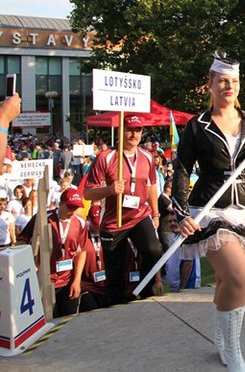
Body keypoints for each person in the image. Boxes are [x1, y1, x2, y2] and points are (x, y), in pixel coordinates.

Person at [174, 52, 245, 372]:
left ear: (238, 85)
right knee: (237, 276)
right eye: (221, 81)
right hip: (209, 210)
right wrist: (180, 212)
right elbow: (180, 170)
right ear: (211, 84)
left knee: (223, 280)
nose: (227, 86)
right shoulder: (196, 125)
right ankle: (234, 352)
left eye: (233, 81)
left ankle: (222, 342)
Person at [84, 114, 163, 304]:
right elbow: (88, 193)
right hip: (113, 221)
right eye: (129, 129)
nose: (133, 134)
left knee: (154, 250)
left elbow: (152, 186)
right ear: (120, 131)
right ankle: (117, 308)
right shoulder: (106, 157)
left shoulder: (147, 157)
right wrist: (109, 190)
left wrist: (155, 212)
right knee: (115, 272)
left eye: (138, 130)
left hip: (139, 215)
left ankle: (144, 289)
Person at [18, 188, 88, 317]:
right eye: (70, 207)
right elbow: (22, 241)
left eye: (76, 207)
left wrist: (77, 280)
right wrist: (28, 263)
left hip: (68, 281)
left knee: (68, 322)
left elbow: (81, 251)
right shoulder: (43, 219)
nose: (72, 211)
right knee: (47, 321)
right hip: (44, 281)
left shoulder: (80, 223)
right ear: (60, 204)